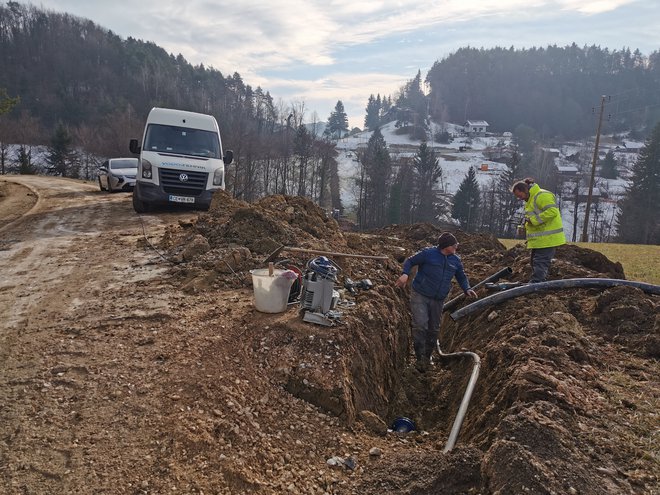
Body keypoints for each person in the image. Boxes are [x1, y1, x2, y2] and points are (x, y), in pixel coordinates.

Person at [395, 232, 477, 372]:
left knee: (433, 329)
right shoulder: (428, 254)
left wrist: (466, 288)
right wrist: (405, 274)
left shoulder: (455, 260)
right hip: (420, 294)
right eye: (454, 245)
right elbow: (410, 261)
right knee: (420, 325)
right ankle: (419, 358)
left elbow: (461, 276)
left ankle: (427, 357)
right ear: (446, 246)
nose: (457, 246)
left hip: (438, 299)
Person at [511, 178, 566, 283]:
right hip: (540, 239)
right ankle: (539, 282)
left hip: (548, 238)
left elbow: (552, 211)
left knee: (540, 262)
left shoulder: (541, 195)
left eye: (519, 195)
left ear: (525, 190)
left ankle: (537, 284)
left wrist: (533, 220)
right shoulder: (531, 199)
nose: (519, 198)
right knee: (534, 262)